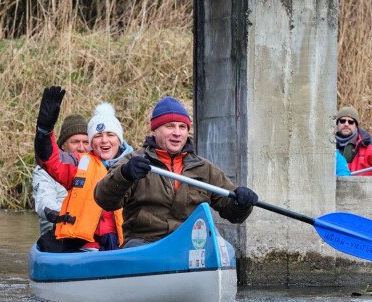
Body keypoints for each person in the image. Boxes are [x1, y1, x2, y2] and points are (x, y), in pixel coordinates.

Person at [94, 96, 258, 245]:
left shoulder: (204, 168)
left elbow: (233, 214)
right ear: (155, 129)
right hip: (145, 243)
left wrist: (241, 203)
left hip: (191, 245)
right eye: (169, 126)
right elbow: (104, 199)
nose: (177, 133)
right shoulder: (132, 162)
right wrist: (124, 175)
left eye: (182, 127)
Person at [35, 87, 134, 252]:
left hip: (123, 245)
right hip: (84, 246)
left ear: (119, 139)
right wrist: (44, 130)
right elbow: (49, 160)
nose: (104, 141)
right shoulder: (79, 163)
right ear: (92, 142)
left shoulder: (136, 164)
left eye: (110, 135)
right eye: (97, 136)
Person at [33, 113, 89, 236]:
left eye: (86, 142)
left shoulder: (96, 168)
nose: (81, 148)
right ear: (62, 145)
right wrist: (68, 215)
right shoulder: (44, 171)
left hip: (87, 234)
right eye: (75, 142)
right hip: (56, 235)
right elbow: (44, 202)